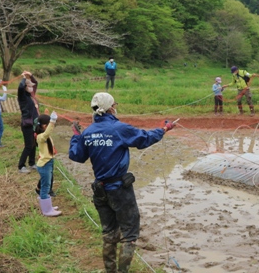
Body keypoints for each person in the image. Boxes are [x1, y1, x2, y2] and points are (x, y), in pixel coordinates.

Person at [68, 92, 177, 273]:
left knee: (109, 234)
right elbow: (144, 139)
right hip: (120, 190)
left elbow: (76, 155)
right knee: (130, 235)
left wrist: (76, 136)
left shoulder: (87, 132)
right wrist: (164, 129)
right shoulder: (118, 128)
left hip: (100, 191)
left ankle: (110, 270)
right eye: (114, 104)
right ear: (111, 108)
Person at [35, 112, 61, 217]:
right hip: (45, 164)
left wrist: (51, 122)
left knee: (47, 185)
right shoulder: (41, 137)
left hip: (48, 163)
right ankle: (46, 210)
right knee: (45, 188)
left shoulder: (45, 135)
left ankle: (48, 206)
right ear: (44, 125)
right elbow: (47, 132)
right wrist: (52, 121)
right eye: (48, 124)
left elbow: (49, 132)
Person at [17, 71, 39, 174]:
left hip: (34, 124)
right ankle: (21, 166)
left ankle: (32, 163)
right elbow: (21, 87)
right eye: (29, 86)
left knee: (34, 144)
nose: (31, 88)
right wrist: (24, 78)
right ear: (25, 87)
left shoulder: (30, 95)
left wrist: (30, 75)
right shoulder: (22, 96)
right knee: (28, 145)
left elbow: (35, 83)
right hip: (27, 124)